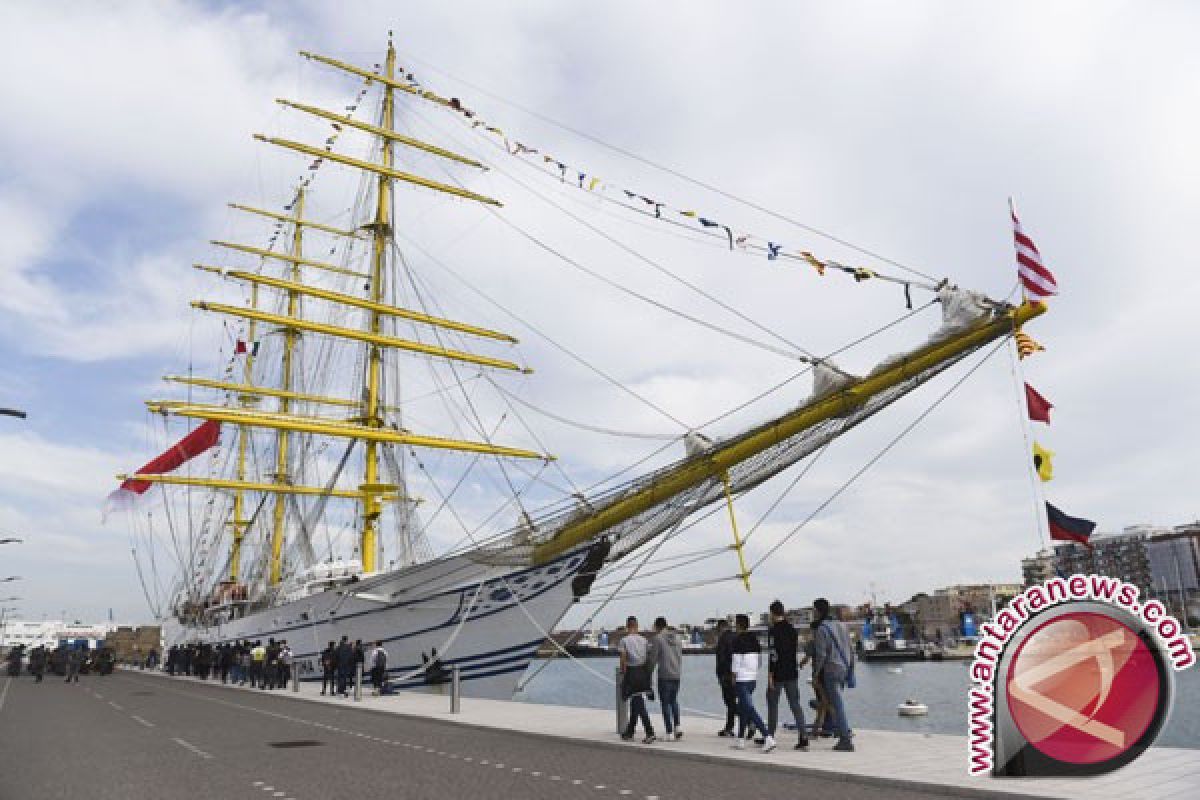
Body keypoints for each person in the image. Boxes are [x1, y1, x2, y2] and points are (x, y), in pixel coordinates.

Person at [812, 597, 855, 752]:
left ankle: (845, 739)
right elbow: (851, 650)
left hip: (831, 670)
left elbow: (821, 655)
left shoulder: (822, 629)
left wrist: (816, 674)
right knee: (836, 703)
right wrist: (851, 670)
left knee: (836, 705)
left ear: (817, 611)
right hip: (844, 668)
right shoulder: (842, 626)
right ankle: (840, 731)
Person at [765, 600, 810, 751]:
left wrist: (770, 674)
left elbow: (773, 654)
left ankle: (770, 736)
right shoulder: (792, 630)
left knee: (772, 704)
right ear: (783, 612)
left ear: (772, 613)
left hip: (778, 673)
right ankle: (803, 737)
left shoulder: (773, 631)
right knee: (795, 705)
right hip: (792, 672)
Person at [731, 614, 775, 752]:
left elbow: (736, 661)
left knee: (749, 708)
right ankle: (740, 739)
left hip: (741, 679)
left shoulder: (737, 641)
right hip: (752, 678)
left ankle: (767, 737)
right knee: (744, 708)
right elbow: (759, 661)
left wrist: (733, 676)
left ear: (738, 625)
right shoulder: (754, 640)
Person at [617, 616, 656, 743]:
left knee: (638, 702)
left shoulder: (624, 640)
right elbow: (650, 657)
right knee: (636, 701)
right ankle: (630, 732)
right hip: (643, 671)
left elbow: (623, 658)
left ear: (627, 626)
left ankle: (650, 732)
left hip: (632, 672)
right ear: (637, 626)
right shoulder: (644, 640)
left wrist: (623, 673)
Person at [650, 617, 683, 740]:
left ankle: (669, 732)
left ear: (657, 626)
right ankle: (677, 727)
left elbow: (653, 659)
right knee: (674, 701)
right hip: (676, 674)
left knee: (665, 704)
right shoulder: (678, 638)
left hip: (664, 675)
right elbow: (680, 656)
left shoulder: (658, 639)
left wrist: (648, 674)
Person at [714, 619, 739, 737]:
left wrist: (721, 675)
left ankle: (750, 720)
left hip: (726, 675)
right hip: (737, 674)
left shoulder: (723, 639)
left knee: (730, 702)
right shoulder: (736, 636)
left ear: (720, 628)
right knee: (732, 701)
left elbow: (721, 659)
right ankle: (729, 727)